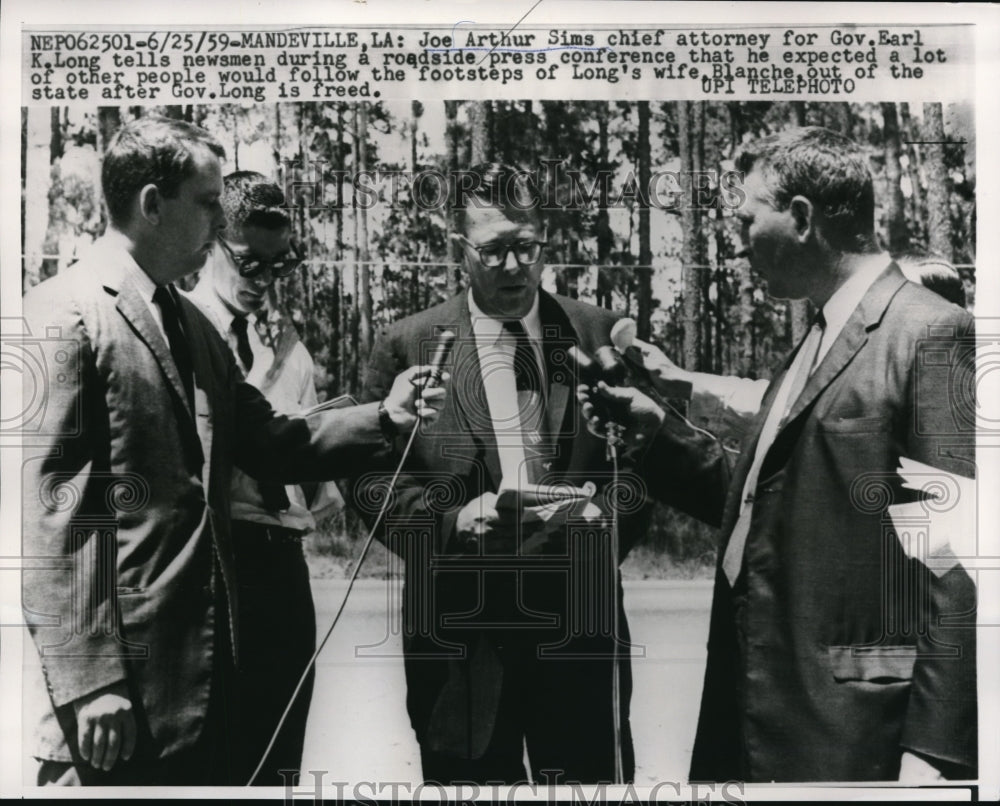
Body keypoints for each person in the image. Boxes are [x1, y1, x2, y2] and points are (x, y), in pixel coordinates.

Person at [20, 116, 444, 786]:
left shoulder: (192, 328)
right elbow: (55, 523)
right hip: (119, 693)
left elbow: (275, 443)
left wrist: (386, 416)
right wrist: (90, 682)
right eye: (209, 203)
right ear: (152, 204)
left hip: (203, 683)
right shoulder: (65, 315)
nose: (221, 224)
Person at [582, 127, 977, 783]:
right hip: (757, 714)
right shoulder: (818, 337)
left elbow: (961, 563)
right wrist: (656, 435)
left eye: (745, 218)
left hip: (848, 733)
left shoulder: (932, 332)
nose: (735, 242)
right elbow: (770, 510)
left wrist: (936, 754)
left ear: (800, 218)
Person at [357, 163, 725, 785]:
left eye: (526, 248)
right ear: (459, 249)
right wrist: (450, 524)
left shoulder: (600, 334)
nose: (512, 267)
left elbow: (642, 461)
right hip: (457, 635)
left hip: (580, 631)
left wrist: (596, 524)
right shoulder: (406, 343)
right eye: (493, 250)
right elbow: (369, 480)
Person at [186, 171, 338, 784]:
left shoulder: (290, 346)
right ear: (211, 241)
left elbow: (308, 468)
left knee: (280, 760)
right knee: (222, 755)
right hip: (217, 565)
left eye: (281, 267)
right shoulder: (179, 329)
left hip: (284, 563)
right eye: (250, 264)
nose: (266, 283)